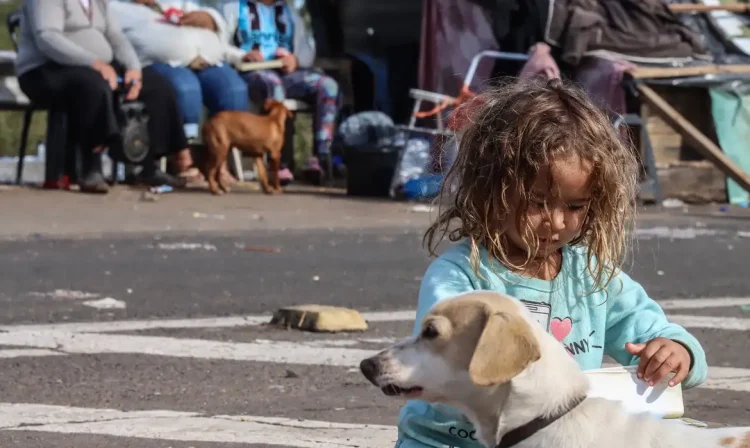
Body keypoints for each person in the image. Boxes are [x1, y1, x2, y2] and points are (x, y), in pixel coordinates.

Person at [396, 78, 708, 447]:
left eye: (574, 206)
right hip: (450, 441)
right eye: (537, 202)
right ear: (490, 188)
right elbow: (438, 364)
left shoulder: (591, 277)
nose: (556, 221)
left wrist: (674, 352)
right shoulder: (460, 276)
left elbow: (652, 332)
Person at [15, 0, 189, 193]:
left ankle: (146, 165)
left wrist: (133, 67)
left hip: (95, 68)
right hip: (45, 69)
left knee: (157, 86)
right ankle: (90, 167)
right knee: (93, 85)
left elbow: (115, 36)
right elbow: (47, 38)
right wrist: (94, 64)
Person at [158, 0, 341, 183]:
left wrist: (295, 59)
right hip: (250, 72)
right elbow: (218, 43)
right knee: (272, 84)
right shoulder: (234, 8)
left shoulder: (290, 13)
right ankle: (276, 162)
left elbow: (307, 48)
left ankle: (322, 158)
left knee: (327, 86)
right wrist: (243, 56)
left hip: (287, 72)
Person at [110, 0, 252, 183]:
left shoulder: (177, 2)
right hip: (158, 63)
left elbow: (216, 24)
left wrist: (210, 19)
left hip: (209, 59)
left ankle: (220, 163)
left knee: (233, 89)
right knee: (186, 88)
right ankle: (183, 160)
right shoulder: (116, 7)